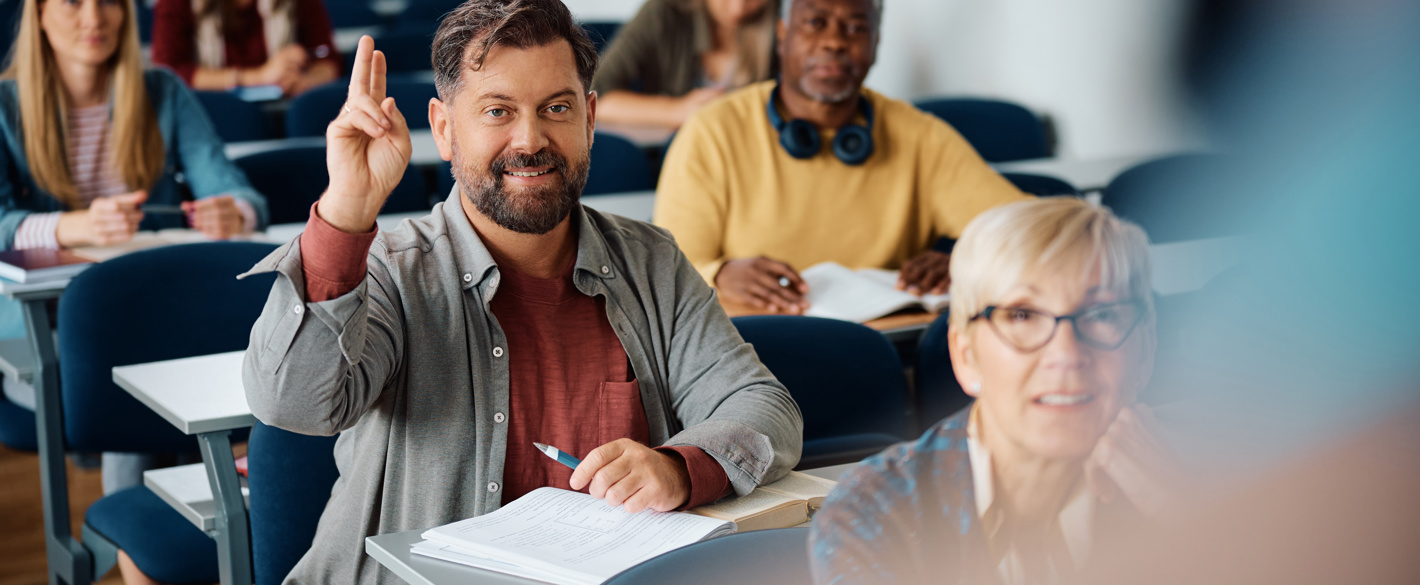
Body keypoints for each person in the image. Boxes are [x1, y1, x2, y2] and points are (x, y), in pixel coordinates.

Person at [241, 0, 802, 582]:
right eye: (498, 111)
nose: (530, 139)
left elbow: (763, 408)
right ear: (443, 128)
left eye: (555, 108)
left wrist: (679, 469)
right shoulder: (389, 270)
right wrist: (347, 211)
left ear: (589, 118)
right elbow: (292, 404)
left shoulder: (651, 261)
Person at [808, 198, 1185, 584]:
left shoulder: (1214, 478)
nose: (1067, 354)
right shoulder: (875, 512)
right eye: (1022, 315)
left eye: (1102, 314)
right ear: (965, 355)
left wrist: (1194, 521)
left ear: (1147, 347)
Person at [654, 0, 1028, 315]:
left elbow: (1029, 229)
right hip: (752, 354)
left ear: (876, 44)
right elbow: (665, 271)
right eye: (816, 23)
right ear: (782, 37)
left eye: (855, 28)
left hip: (887, 347)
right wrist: (718, 274)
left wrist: (966, 263)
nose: (834, 41)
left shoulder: (921, 136)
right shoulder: (712, 131)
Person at [0, 0, 269, 250]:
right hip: (45, 294)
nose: (94, 19)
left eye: (109, 1)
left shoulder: (165, 90)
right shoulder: (4, 106)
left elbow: (237, 192)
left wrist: (235, 214)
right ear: (39, 14)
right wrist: (76, 227)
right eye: (72, 1)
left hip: (153, 277)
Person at [593, 0, 777, 129]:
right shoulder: (663, 12)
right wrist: (676, 109)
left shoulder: (786, 18)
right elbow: (595, 94)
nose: (738, 9)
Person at [150, 0, 340, 95]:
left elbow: (330, 61)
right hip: (212, 117)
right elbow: (167, 72)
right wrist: (258, 77)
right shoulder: (176, 4)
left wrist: (305, 81)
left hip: (282, 112)